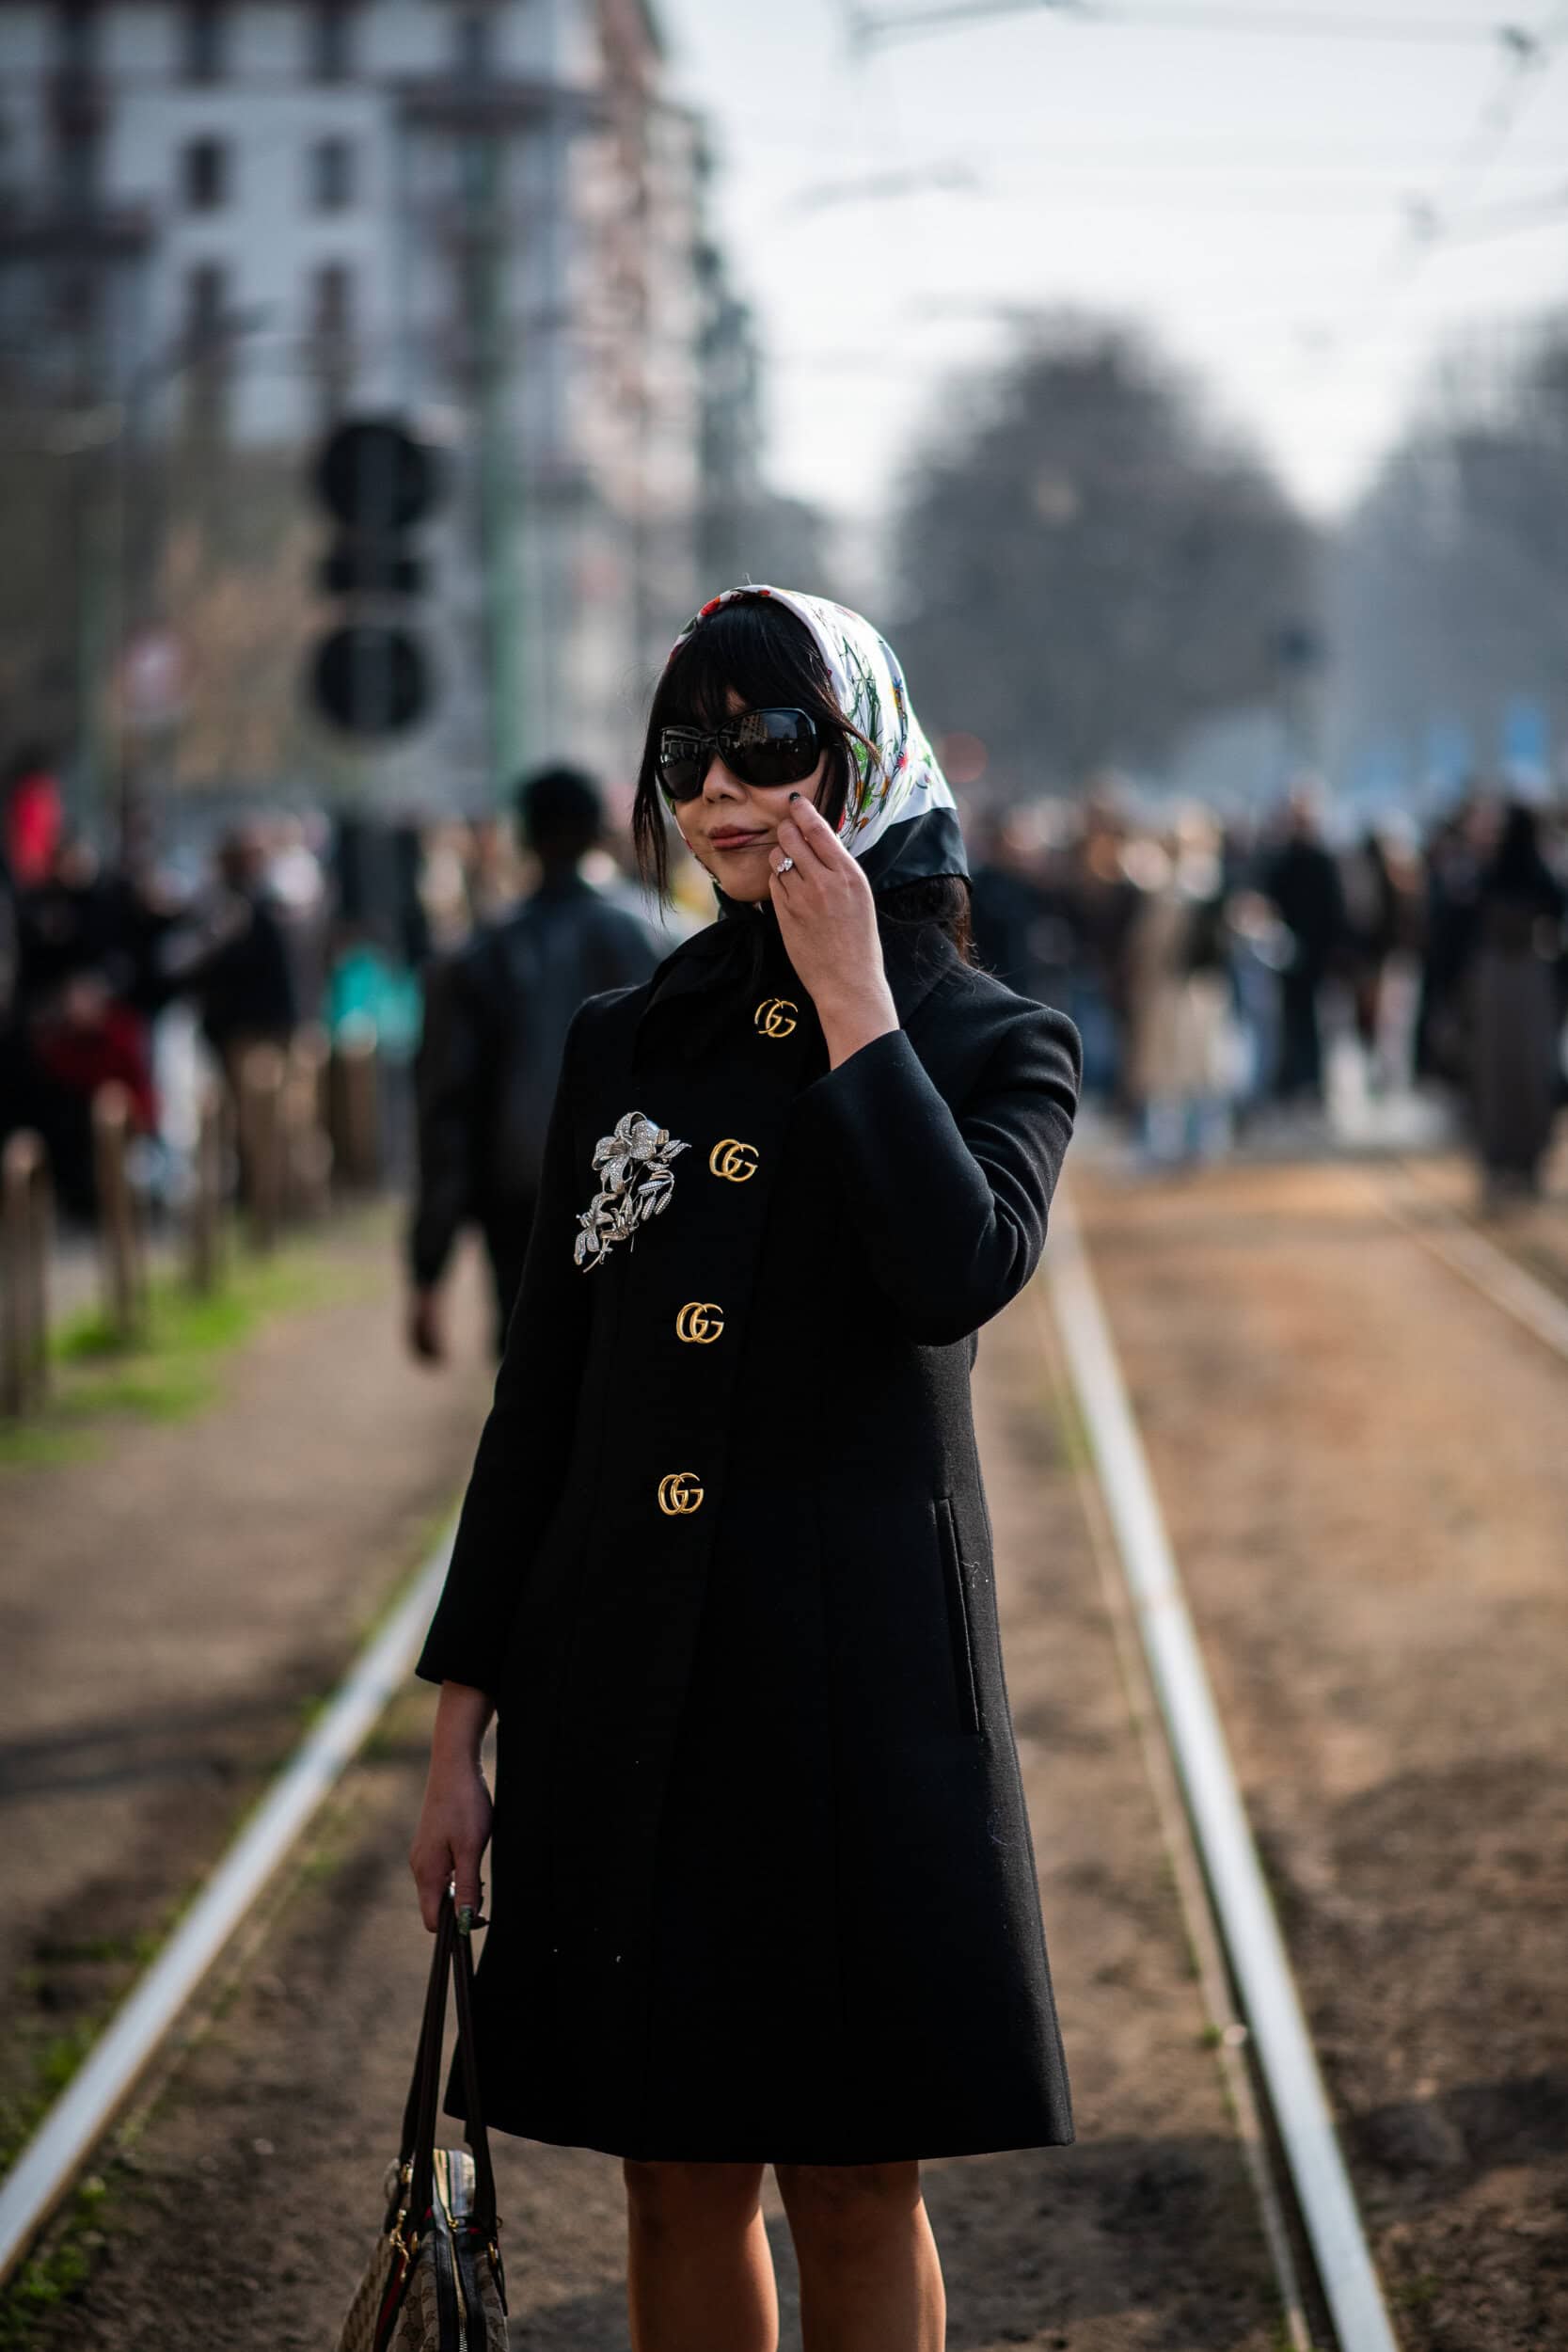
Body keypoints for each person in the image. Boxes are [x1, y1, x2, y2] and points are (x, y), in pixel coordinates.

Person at [407, 588, 1082, 2352]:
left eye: (767, 743)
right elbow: (542, 1399)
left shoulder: (992, 1037)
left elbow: (952, 1272)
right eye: (684, 752)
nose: (716, 788)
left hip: (860, 1700)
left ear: (863, 757)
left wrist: (855, 1002)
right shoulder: (623, 1038)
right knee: (672, 2175)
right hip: (627, 1687)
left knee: (855, 2179)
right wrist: (460, 1731)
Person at [406, 765, 663, 1361]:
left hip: (521, 1196)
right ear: (599, 831)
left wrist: (428, 1269)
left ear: (525, 837)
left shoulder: (478, 957)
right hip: (641, 1186)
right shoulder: (662, 941)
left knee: (532, 1363)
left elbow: (447, 1112)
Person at [1466, 800, 1566, 1209]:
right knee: (1519, 1071)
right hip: (1524, 982)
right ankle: (1520, 1161)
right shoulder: (1538, 874)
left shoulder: (1495, 872)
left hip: (1504, 983)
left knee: (1511, 1072)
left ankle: (1508, 1161)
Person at [1262, 784, 1345, 1107]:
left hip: (1317, 957)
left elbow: (1335, 911)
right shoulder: (1281, 858)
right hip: (1286, 954)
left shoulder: (1324, 860)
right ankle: (1291, 1080)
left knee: (1316, 1022)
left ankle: (1313, 1082)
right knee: (1287, 1019)